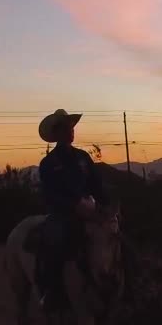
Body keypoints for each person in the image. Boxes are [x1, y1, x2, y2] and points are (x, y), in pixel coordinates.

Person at [36, 108, 107, 310]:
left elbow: (96, 184)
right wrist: (73, 206)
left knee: (113, 235)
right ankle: (51, 291)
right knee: (55, 241)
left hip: (90, 210)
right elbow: (49, 194)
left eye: (72, 128)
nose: (71, 131)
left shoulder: (83, 157)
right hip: (62, 214)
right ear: (56, 133)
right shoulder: (49, 163)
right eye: (66, 128)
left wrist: (107, 204)